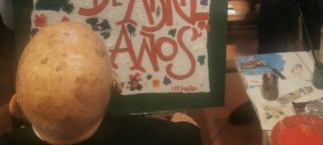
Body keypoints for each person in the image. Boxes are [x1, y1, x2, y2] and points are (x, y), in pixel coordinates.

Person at [0, 21, 202, 145]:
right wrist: (183, 123)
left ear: (17, 102)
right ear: (114, 86)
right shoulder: (174, 138)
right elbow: (190, 135)